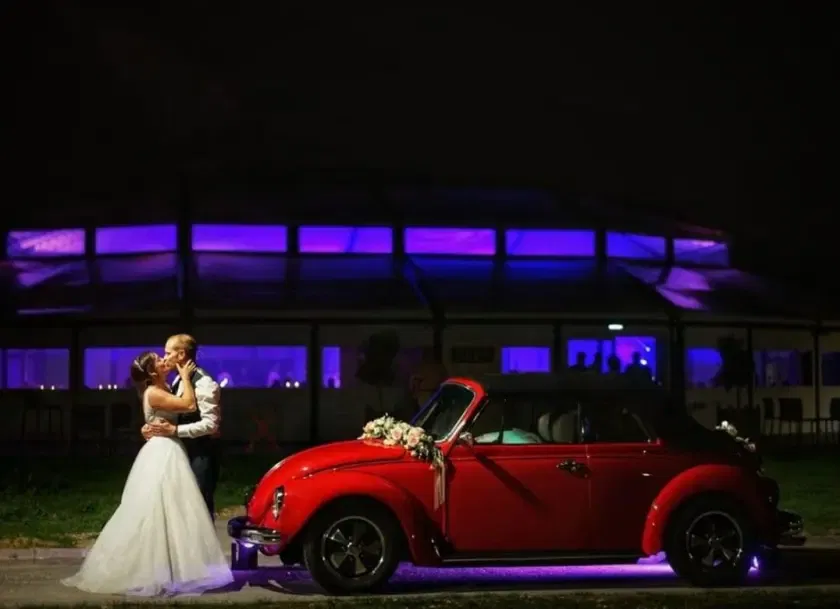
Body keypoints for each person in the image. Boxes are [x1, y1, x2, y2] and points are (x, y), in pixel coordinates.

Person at [62, 352, 233, 596]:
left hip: (170, 448)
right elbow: (188, 405)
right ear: (153, 372)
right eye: (158, 360)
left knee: (173, 509)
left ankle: (172, 567)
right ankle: (149, 568)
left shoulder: (163, 388)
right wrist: (186, 377)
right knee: (154, 508)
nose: (164, 360)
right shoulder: (154, 391)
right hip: (163, 452)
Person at [142, 334, 222, 519]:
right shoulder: (178, 380)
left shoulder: (203, 382)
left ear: (181, 355)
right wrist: (151, 426)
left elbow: (211, 424)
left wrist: (176, 431)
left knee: (200, 510)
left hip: (201, 455)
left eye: (167, 353)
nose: (165, 358)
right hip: (183, 453)